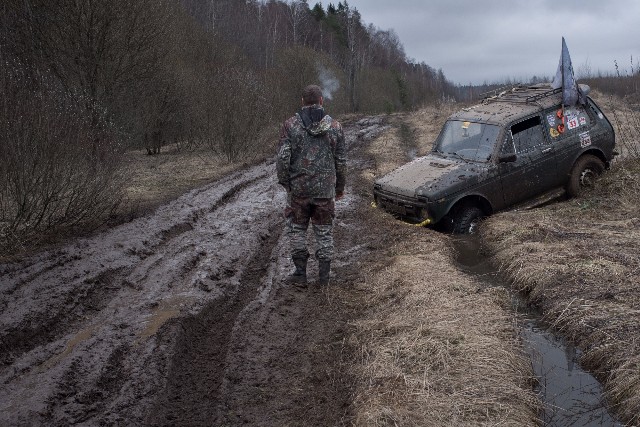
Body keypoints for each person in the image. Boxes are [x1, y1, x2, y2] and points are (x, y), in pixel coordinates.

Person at [277, 84, 346, 287]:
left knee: (297, 230)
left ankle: (300, 274)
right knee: (324, 232)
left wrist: (286, 182)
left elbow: (282, 158)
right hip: (325, 191)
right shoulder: (335, 127)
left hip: (298, 190)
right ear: (321, 101)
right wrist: (339, 188)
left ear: (302, 102)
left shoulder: (290, 126)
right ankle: (324, 278)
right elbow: (341, 162)